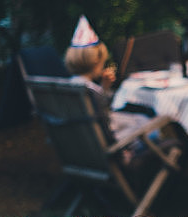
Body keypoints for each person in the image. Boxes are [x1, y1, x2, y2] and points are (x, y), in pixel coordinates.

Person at [64, 15, 151, 144]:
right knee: (146, 122)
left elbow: (97, 106)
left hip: (88, 142)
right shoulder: (87, 89)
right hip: (112, 141)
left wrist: (104, 87)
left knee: (138, 119)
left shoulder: (72, 85)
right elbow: (105, 109)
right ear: (95, 60)